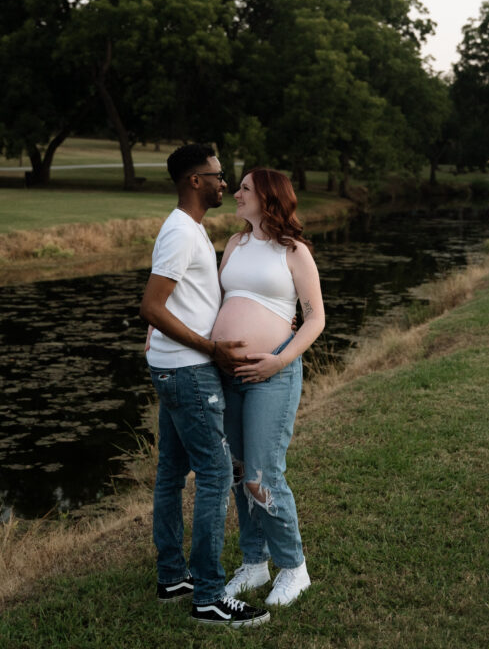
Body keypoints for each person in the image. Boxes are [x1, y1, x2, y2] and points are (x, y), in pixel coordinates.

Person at [139, 143, 270, 628]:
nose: (225, 183)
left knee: (172, 472)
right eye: (217, 175)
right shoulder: (180, 233)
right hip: (189, 372)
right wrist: (209, 348)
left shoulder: (188, 230)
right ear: (194, 181)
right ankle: (210, 597)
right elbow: (151, 307)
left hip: (175, 367)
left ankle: (173, 577)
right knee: (216, 476)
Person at [210, 167, 325, 607]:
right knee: (240, 471)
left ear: (267, 197)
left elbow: (315, 317)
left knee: (262, 474)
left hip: (273, 374)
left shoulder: (293, 251)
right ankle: (255, 563)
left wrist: (278, 358)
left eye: (243, 188)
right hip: (229, 375)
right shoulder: (236, 243)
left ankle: (294, 568)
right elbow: (220, 300)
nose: (234, 193)